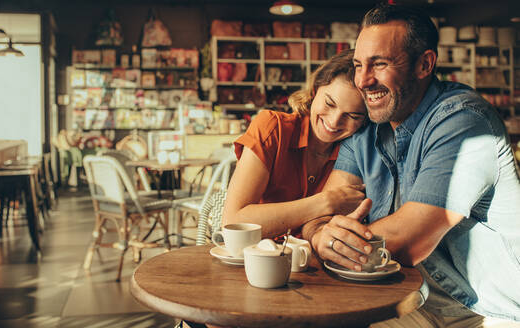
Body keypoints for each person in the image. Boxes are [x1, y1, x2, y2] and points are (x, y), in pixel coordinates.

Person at [302, 4, 520, 327]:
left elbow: (408, 241)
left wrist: (326, 240)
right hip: (407, 298)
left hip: (482, 311)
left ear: (424, 64)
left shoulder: (463, 122)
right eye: (359, 65)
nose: (363, 80)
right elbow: (320, 214)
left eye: (379, 64)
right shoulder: (367, 126)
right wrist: (319, 234)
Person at [222, 50, 367, 239]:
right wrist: (326, 202)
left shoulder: (356, 152)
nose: (334, 121)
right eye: (330, 103)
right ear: (315, 90)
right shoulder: (273, 127)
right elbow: (232, 223)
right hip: (257, 260)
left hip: (314, 264)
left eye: (352, 115)